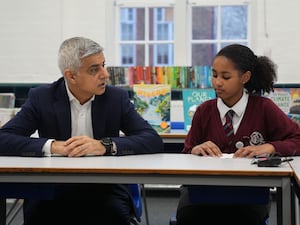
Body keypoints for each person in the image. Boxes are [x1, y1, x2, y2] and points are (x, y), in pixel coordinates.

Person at [0, 37, 164, 225]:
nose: (105, 75)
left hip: (105, 188)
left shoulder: (116, 98)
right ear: (71, 76)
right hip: (53, 186)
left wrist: (105, 146)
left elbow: (152, 139)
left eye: (103, 65)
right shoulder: (42, 97)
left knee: (114, 216)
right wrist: (53, 146)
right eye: (94, 69)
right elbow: (3, 138)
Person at [176, 44, 300, 225]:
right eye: (214, 75)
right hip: (203, 191)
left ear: (245, 77)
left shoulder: (264, 108)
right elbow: (186, 151)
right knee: (190, 217)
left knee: (242, 219)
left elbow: (297, 138)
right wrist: (195, 149)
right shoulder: (204, 111)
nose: (218, 82)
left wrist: (271, 147)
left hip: (250, 193)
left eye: (226, 77)